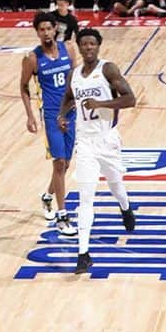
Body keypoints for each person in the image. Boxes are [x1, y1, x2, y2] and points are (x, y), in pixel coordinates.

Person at [56, 27, 136, 275]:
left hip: (107, 139)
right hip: (85, 142)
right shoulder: (74, 74)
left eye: (92, 44)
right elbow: (69, 97)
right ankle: (83, 253)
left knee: (115, 185)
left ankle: (125, 206)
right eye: (84, 44)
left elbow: (130, 99)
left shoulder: (108, 69)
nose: (88, 48)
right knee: (85, 197)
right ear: (79, 47)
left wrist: (101, 103)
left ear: (98, 46)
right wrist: (61, 114)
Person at [21, 11, 77, 238]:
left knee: (66, 165)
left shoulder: (69, 49)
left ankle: (47, 196)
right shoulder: (32, 59)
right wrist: (30, 116)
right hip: (52, 115)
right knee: (59, 162)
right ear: (37, 32)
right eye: (40, 30)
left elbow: (75, 79)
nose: (45, 33)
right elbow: (23, 87)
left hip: (71, 113)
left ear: (55, 29)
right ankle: (62, 217)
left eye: (48, 28)